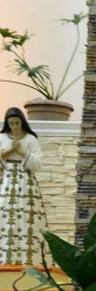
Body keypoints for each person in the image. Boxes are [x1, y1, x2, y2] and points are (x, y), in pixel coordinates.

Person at [0, 108, 47, 266]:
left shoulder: (30, 139)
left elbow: (38, 163)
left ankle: (29, 260)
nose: (14, 126)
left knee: (28, 218)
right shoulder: (2, 137)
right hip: (4, 182)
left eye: (17, 122)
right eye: (11, 123)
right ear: (7, 123)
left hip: (26, 183)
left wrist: (22, 151)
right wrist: (6, 153)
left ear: (22, 122)